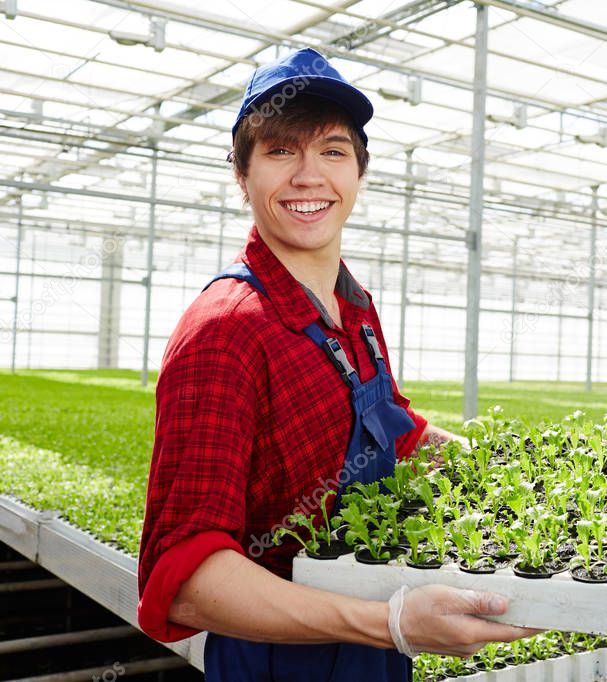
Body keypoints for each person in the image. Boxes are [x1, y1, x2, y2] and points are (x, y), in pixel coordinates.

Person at [136, 47, 539, 681]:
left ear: (358, 172)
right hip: (281, 660)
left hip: (378, 650)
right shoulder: (226, 331)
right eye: (278, 151)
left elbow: (392, 428)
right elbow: (186, 576)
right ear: (242, 176)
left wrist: (508, 470)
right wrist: (391, 622)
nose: (308, 176)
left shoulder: (354, 308)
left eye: (331, 151)